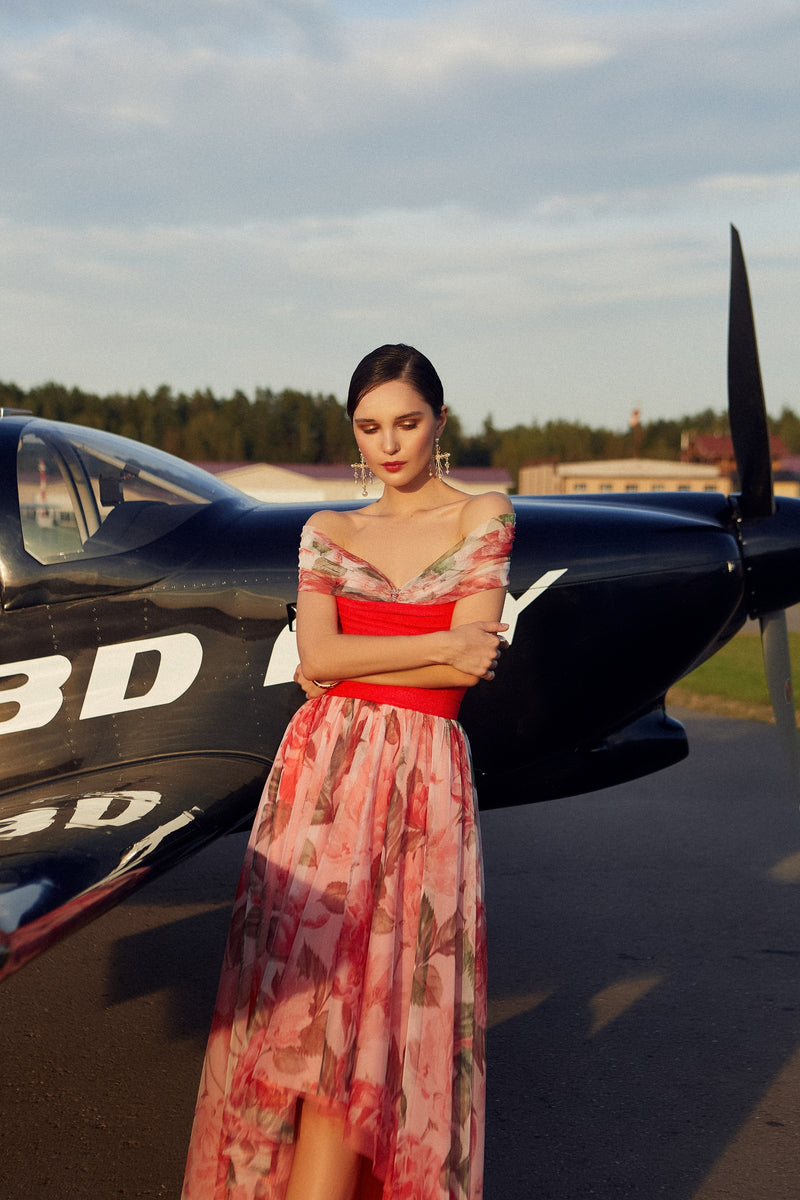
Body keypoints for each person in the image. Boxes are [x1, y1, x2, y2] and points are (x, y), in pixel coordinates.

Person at [181, 344, 515, 1200]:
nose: (389, 444)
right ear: (353, 435)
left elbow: (463, 677)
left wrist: (383, 661)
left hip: (426, 781)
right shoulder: (329, 530)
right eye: (370, 428)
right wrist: (439, 639)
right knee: (319, 1017)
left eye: (406, 423)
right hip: (325, 777)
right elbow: (321, 651)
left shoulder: (484, 513)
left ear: (440, 421)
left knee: (390, 1009)